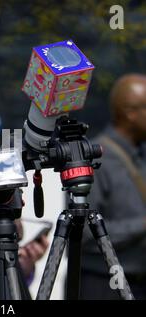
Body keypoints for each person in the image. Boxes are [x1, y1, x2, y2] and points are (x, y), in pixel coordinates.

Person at [80, 73, 146, 300]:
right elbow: (85, 232)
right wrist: (142, 225)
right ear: (130, 113)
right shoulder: (99, 158)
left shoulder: (140, 154)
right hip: (104, 285)